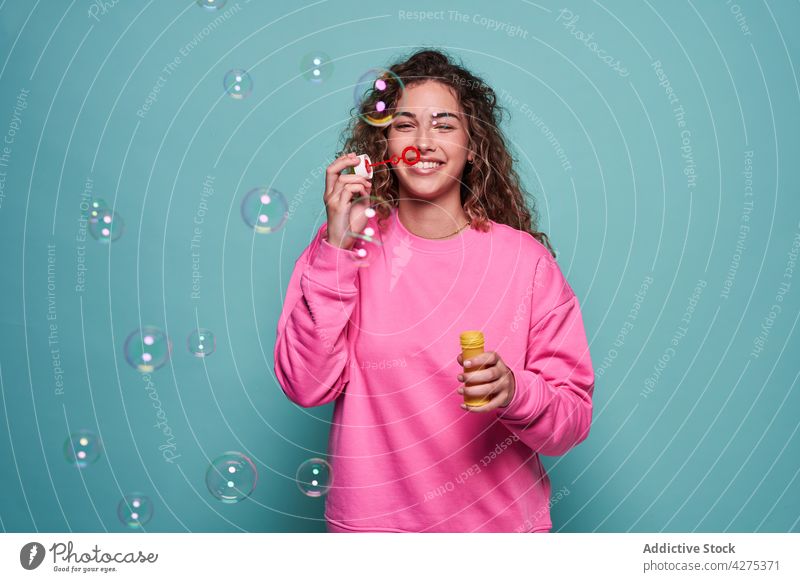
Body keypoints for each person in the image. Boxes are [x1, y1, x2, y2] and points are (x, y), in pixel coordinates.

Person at [274, 49, 594, 532]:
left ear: (474, 144)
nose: (423, 142)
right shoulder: (341, 249)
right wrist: (337, 246)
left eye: (444, 125)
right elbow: (305, 384)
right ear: (382, 143)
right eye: (405, 125)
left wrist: (516, 392)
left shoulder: (525, 261)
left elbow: (571, 420)